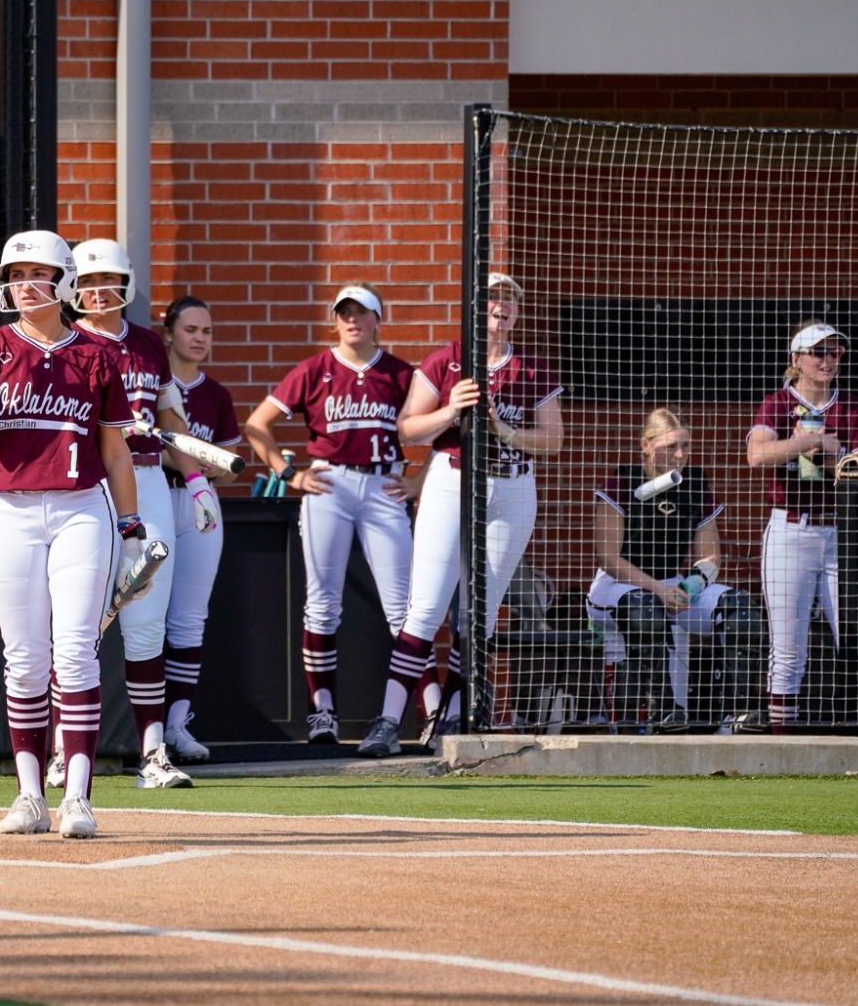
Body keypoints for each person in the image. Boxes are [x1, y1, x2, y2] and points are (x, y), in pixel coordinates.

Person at [0, 225, 142, 840]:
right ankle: (28, 795)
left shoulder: (96, 357)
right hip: (12, 510)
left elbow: (116, 453)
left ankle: (78, 799)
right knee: (24, 660)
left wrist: (132, 529)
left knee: (74, 653)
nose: (22, 285)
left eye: (34, 274)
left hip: (80, 512)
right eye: (14, 276)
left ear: (64, 280)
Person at [360, 272, 562, 756]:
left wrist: (503, 430)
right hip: (453, 478)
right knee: (426, 607)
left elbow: (552, 440)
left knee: (482, 613)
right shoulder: (448, 359)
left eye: (510, 297)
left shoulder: (531, 368)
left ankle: (459, 716)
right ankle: (389, 721)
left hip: (513, 484)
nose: (501, 304)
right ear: (476, 306)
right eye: (492, 296)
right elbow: (409, 429)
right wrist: (452, 410)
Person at [51, 238, 207, 789]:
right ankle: (58, 749)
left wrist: (194, 479)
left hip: (147, 479)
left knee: (147, 625)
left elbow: (170, 416)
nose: (97, 292)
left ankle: (152, 753)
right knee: (79, 625)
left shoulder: (146, 343)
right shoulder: (65, 342)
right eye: (88, 283)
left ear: (126, 284)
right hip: (90, 484)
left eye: (107, 281)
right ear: (73, 287)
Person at [243, 284, 416, 746]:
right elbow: (257, 424)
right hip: (329, 481)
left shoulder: (401, 374)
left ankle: (422, 714)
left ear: (380, 319)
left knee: (403, 608)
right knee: (322, 603)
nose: (352, 320)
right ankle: (323, 715)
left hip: (384, 482)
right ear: (335, 319)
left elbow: (442, 430)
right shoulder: (315, 369)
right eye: (344, 313)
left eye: (362, 312)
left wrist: (419, 481)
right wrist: (287, 473)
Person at [584, 408, 760, 733]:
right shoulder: (622, 481)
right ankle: (664, 712)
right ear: (647, 446)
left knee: (740, 608)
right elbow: (608, 559)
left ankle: (735, 719)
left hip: (673, 587)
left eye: (686, 446)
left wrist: (692, 586)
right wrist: (658, 590)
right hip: (618, 586)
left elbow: (710, 557)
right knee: (645, 608)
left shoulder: (695, 483)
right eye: (671, 446)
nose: (680, 454)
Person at [745, 320, 858, 733]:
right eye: (818, 351)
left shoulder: (853, 407)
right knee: (788, 647)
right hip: (791, 529)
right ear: (797, 359)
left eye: (835, 351)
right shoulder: (776, 404)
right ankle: (783, 741)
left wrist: (839, 454)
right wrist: (810, 442)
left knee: (855, 638)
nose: (828, 359)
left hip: (841, 532)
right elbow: (757, 454)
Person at [158, 295, 242, 762]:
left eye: (206, 331)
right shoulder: (152, 382)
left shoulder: (217, 393)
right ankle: (144, 726)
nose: (199, 338)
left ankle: (177, 724)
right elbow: (152, 448)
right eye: (190, 329)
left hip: (199, 501)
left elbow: (230, 465)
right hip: (151, 490)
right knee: (143, 615)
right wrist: (196, 460)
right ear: (168, 332)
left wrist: (201, 466)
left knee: (190, 617)